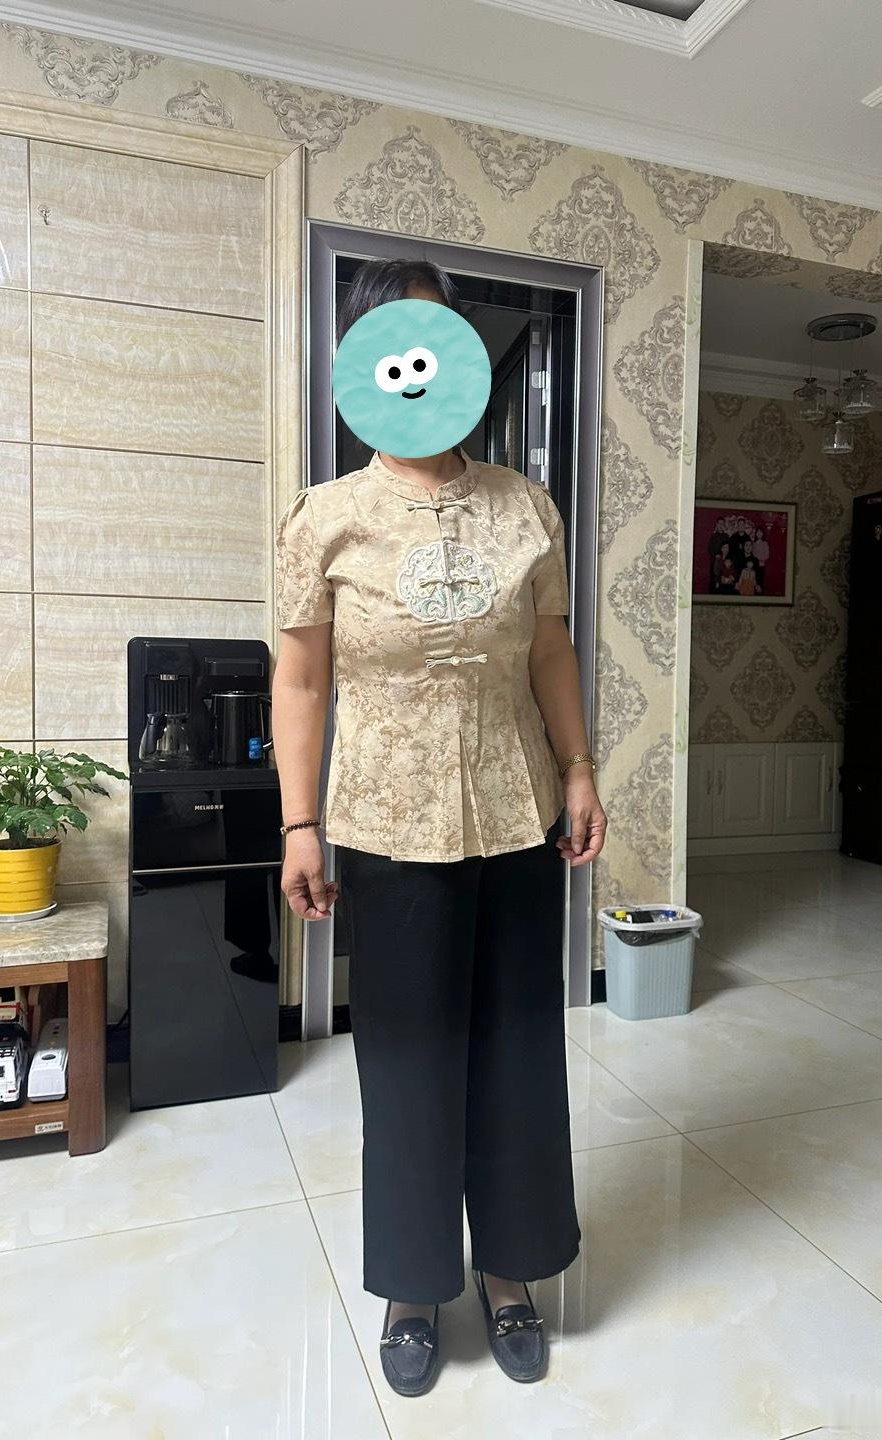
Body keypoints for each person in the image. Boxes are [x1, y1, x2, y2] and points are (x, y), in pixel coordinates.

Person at [272, 258, 606, 1397]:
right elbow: (302, 680)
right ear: (359, 364)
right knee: (409, 1064)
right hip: (386, 825)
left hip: (516, 817)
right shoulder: (324, 517)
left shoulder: (526, 506)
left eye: (435, 338)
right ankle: (415, 1288)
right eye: (390, 343)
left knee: (519, 1051)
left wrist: (579, 768)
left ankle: (510, 1275)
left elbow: (551, 651)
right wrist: (300, 825)